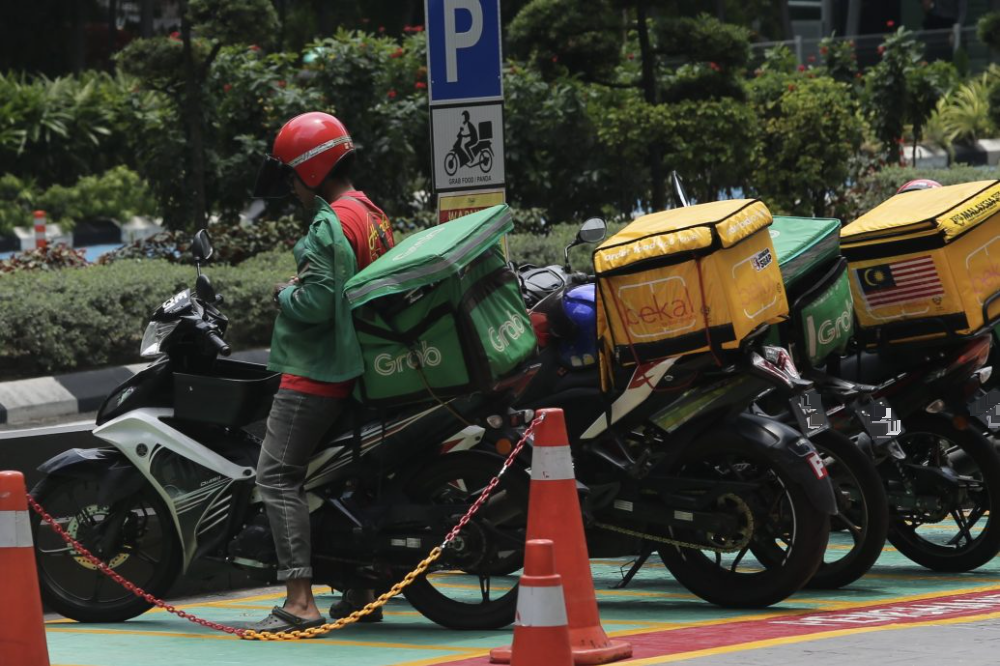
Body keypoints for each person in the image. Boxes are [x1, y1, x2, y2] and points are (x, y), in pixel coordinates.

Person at [249, 111, 395, 633]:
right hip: (357, 369)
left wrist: (283, 292)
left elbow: (316, 301)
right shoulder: (371, 214)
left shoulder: (329, 222)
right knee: (343, 477)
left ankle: (299, 600)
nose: (290, 186)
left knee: (277, 476)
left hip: (317, 372)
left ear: (311, 171)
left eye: (291, 174)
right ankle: (362, 590)